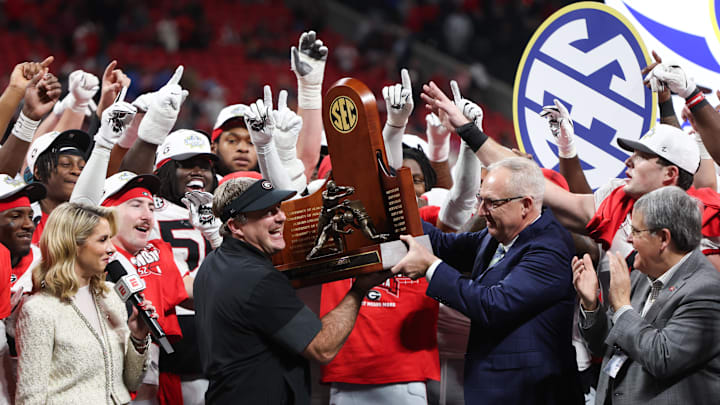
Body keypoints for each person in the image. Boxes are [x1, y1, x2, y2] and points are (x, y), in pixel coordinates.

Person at [392, 157, 582, 404]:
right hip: (495, 388)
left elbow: (493, 305)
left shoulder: (549, 249)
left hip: (531, 393)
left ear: (525, 204)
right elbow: (443, 245)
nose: (481, 211)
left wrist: (430, 268)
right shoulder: (499, 233)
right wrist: (395, 215)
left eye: (491, 202)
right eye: (481, 199)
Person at [194, 177, 391, 404]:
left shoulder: (211, 265)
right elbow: (323, 347)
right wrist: (359, 289)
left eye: (278, 208)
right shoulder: (259, 279)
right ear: (235, 226)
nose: (281, 216)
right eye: (267, 212)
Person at [574, 186, 720, 404]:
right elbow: (607, 344)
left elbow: (662, 358)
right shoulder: (641, 275)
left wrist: (623, 307)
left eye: (636, 232)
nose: (630, 240)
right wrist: (591, 304)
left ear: (663, 238)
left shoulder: (706, 290)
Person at [14, 202, 154, 404]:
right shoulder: (39, 310)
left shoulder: (111, 298)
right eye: (103, 240)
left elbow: (131, 383)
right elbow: (30, 397)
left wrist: (139, 338)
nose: (111, 249)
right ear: (73, 245)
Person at [25, 129, 92, 244]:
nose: (77, 171)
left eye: (82, 167)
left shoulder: (90, 222)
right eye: (66, 164)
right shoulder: (23, 220)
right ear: (38, 172)